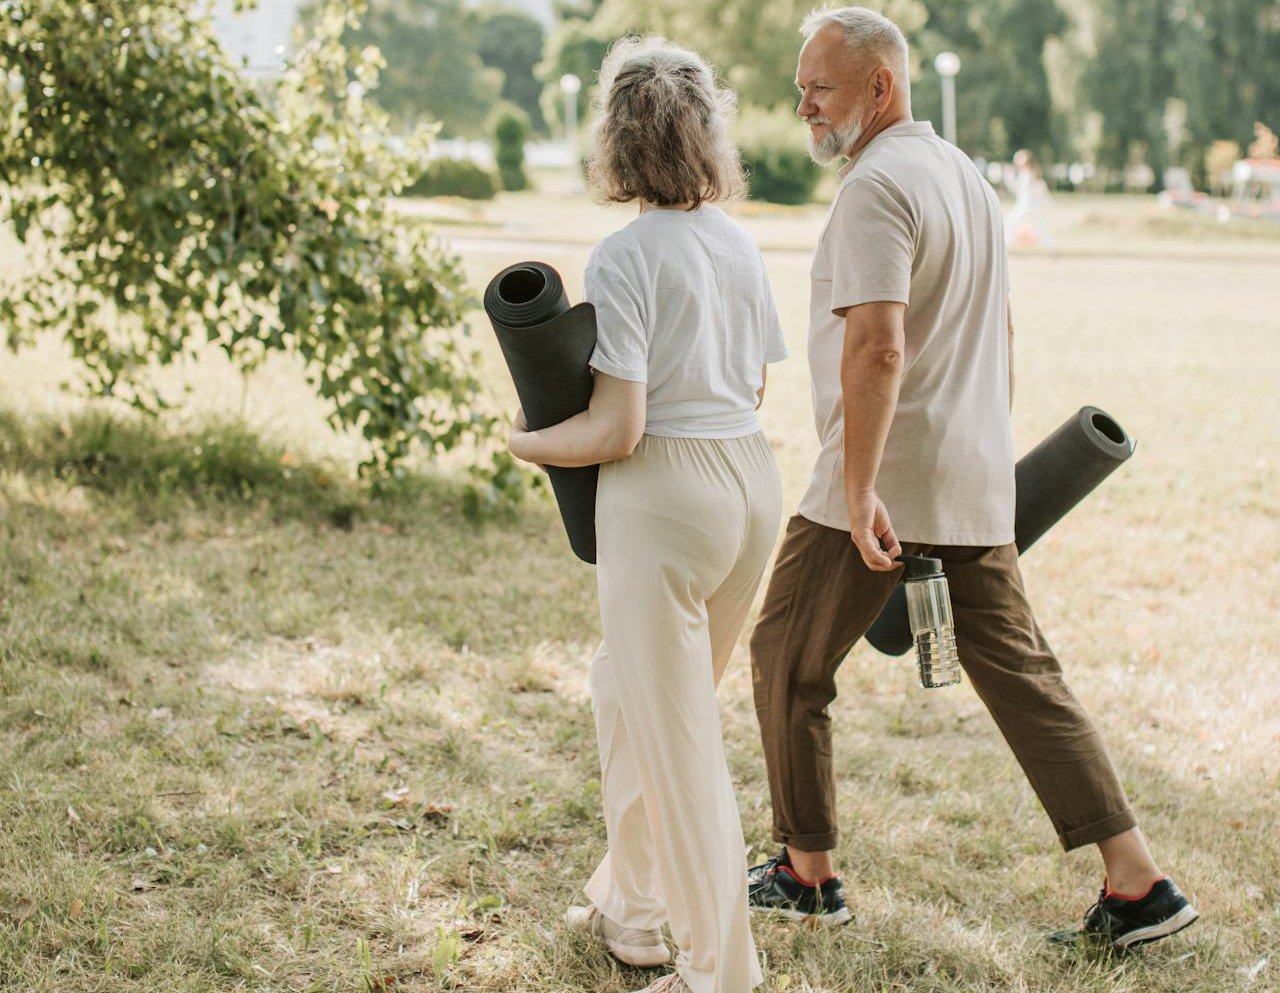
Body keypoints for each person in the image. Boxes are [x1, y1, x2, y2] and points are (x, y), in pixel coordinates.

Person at [744, 6, 1199, 950]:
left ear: (881, 86)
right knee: (1028, 680)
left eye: (819, 89)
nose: (804, 109)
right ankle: (1138, 881)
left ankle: (807, 872)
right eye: (800, 90)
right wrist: (986, 460)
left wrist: (859, 487)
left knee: (786, 656)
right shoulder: (961, 175)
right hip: (968, 477)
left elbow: (876, 348)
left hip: (879, 485)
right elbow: (1000, 333)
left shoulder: (875, 189)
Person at [508, 36, 788, 993]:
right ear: (706, 136)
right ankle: (631, 907)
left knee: (677, 743)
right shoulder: (739, 243)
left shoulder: (624, 253)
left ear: (616, 141)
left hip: (665, 495)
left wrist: (528, 442)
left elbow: (617, 427)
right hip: (751, 486)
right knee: (628, 693)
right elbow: (749, 384)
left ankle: (720, 971)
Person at [1003, 148, 1055, 250]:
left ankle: (1005, 246)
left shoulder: (1029, 174)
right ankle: (1050, 246)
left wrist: (1009, 177)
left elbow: (1039, 189)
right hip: (1027, 206)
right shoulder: (1027, 174)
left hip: (1027, 206)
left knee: (1011, 224)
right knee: (1038, 227)